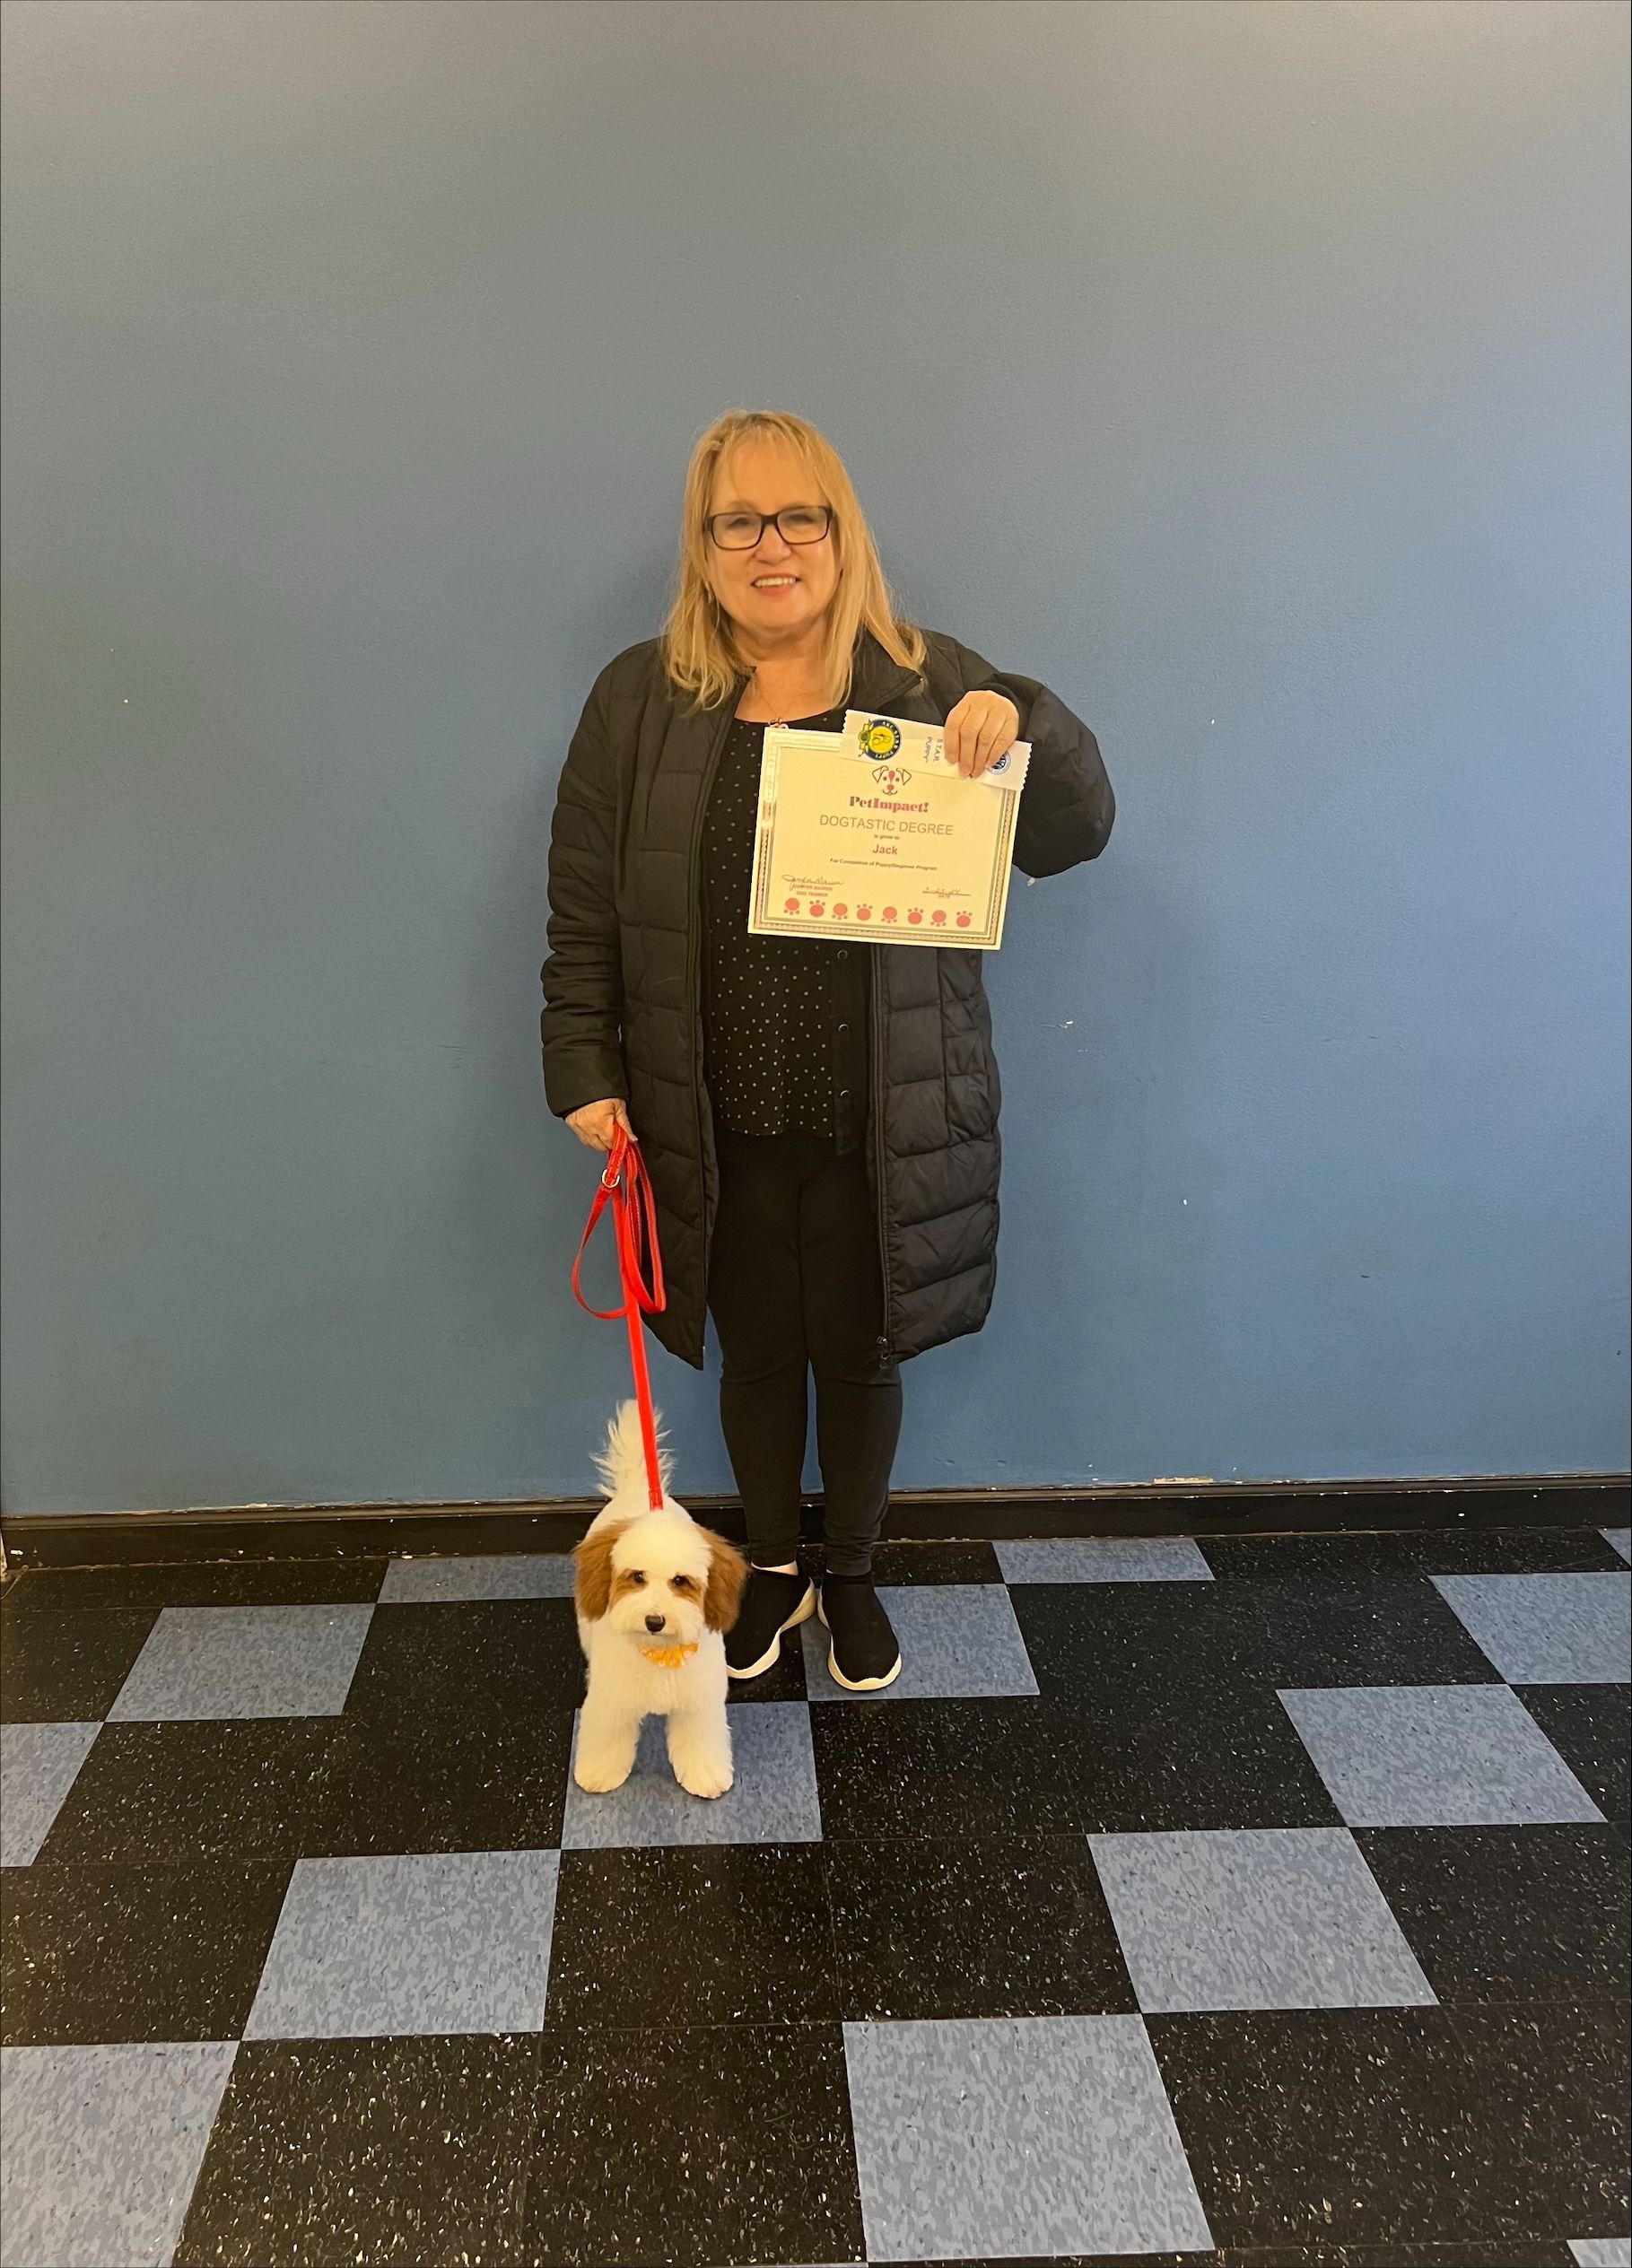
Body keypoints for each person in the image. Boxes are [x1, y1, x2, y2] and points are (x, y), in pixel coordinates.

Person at [541, 408, 1114, 1692]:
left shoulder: (926, 678)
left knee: (857, 1349)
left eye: (798, 516)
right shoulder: (640, 698)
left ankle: (847, 1574)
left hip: (881, 1112)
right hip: (715, 1105)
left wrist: (1020, 718)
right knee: (757, 1352)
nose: (770, 545)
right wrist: (585, 1063)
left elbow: (1074, 834)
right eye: (736, 520)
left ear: (841, 536)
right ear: (702, 546)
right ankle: (773, 1569)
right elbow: (582, 902)